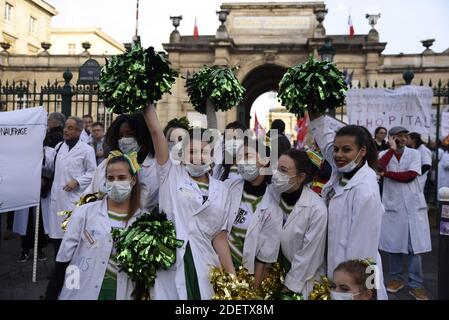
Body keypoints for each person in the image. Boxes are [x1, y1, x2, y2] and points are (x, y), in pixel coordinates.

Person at [143, 103, 235, 300]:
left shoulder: (222, 190)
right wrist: (147, 98)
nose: (197, 157)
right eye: (191, 151)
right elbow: (156, 130)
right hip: (171, 260)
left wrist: (232, 278)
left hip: (205, 262)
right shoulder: (169, 173)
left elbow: (220, 237)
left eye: (204, 152)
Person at [309, 113, 388, 300]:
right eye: (337, 149)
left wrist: (359, 291)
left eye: (346, 150)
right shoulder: (343, 171)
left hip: (351, 282)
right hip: (334, 272)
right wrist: (314, 114)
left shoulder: (365, 190)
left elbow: (363, 252)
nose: (338, 155)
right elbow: (326, 142)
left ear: (362, 151)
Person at [45, 154, 143, 300]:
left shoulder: (143, 220)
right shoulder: (84, 213)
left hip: (122, 292)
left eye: (122, 178)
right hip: (82, 290)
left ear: (133, 180)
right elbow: (64, 257)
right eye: (111, 178)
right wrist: (51, 295)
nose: (116, 183)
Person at [378, 126, 432, 300]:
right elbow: (378, 167)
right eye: (397, 136)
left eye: (404, 136)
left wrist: (386, 174)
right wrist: (391, 150)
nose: (402, 139)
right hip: (394, 206)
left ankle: (416, 284)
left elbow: (410, 175)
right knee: (393, 245)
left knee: (413, 248)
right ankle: (396, 279)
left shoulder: (415, 154)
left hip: (413, 205)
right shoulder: (383, 155)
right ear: (391, 138)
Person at [271, 149, 328, 299]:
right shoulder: (271, 194)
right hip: (272, 274)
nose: (276, 175)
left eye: (283, 171)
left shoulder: (316, 209)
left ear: (300, 177)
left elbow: (309, 256)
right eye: (277, 168)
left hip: (302, 282)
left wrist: (287, 288)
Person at [226, 141, 281, 288]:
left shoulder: (273, 207)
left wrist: (253, 292)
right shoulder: (228, 188)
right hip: (216, 270)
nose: (242, 162)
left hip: (245, 281)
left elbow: (264, 259)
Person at [84, 113, 158, 212]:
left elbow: (145, 201)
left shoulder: (153, 167)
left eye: (130, 134)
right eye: (121, 136)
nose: (124, 139)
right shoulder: (106, 164)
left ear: (142, 136)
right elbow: (92, 192)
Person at [48, 116, 97, 258]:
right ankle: (58, 266)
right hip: (58, 200)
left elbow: (93, 173)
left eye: (70, 128)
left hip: (74, 200)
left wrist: (77, 181)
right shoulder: (58, 147)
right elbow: (51, 168)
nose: (65, 130)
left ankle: (71, 266)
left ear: (79, 131)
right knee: (57, 235)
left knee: (71, 235)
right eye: (65, 127)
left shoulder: (86, 150)